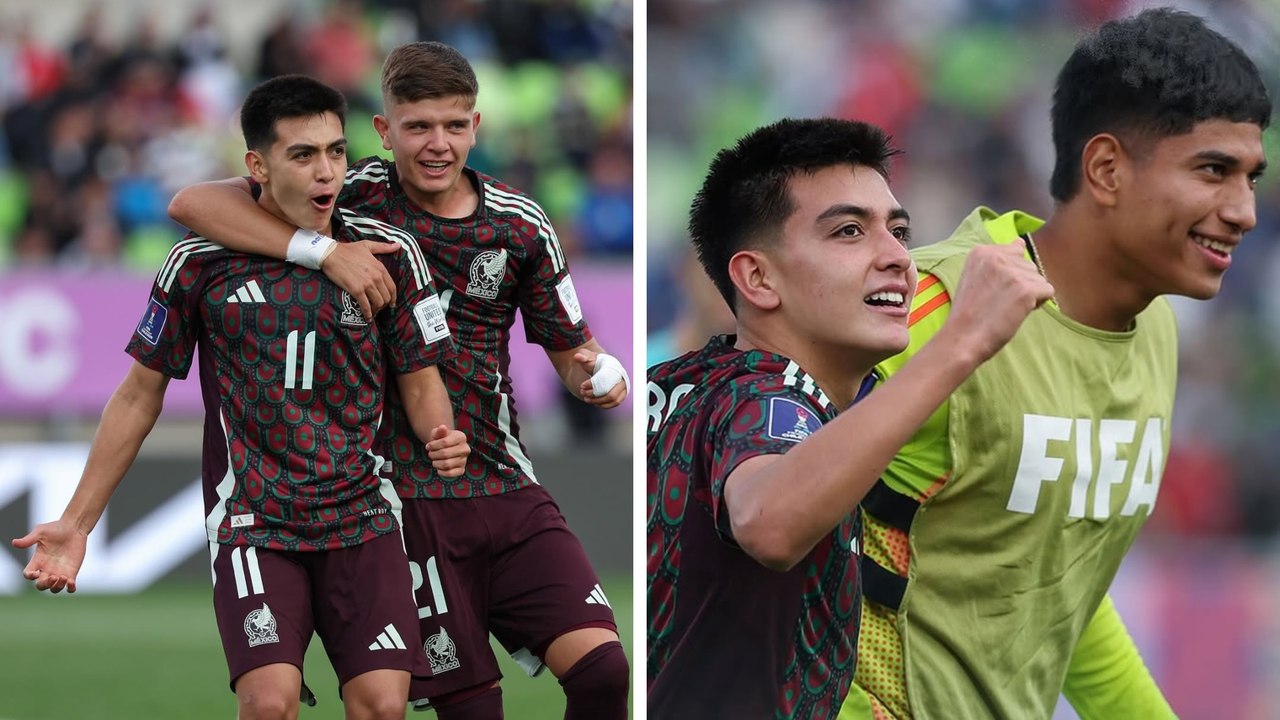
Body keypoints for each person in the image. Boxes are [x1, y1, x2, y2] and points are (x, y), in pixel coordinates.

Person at [167, 42, 631, 720]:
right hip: (400, 500)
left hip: (503, 481)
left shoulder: (520, 225)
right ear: (384, 134)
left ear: (477, 127)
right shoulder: (345, 195)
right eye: (417, 127)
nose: (437, 144)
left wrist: (592, 376)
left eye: (453, 125)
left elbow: (572, 347)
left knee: (604, 672)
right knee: (472, 710)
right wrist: (322, 250)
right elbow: (195, 205)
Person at [838, 8, 1271, 719]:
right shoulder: (930, 309)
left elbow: (1057, 583)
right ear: (1105, 169)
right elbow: (761, 509)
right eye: (1214, 171)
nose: (1244, 210)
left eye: (1251, 177)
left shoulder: (1157, 330)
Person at [12, 74, 469, 720]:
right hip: (256, 521)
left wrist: (440, 432)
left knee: (382, 707)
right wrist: (78, 521)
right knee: (269, 704)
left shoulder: (388, 255)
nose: (325, 171)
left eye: (336, 152)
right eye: (302, 155)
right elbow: (139, 396)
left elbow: (423, 384)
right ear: (257, 165)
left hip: (364, 517)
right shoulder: (199, 265)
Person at [645, 117, 1054, 719]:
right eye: (848, 231)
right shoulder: (772, 398)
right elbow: (769, 522)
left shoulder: (683, 382)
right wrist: (961, 342)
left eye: (899, 231)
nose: (896, 258)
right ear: (757, 277)